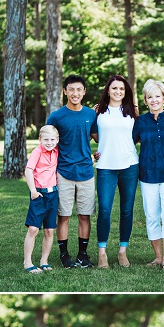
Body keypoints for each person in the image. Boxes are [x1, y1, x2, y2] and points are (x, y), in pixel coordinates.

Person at [46, 75, 98, 269]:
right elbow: (47, 142)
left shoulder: (90, 115)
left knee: (85, 215)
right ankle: (64, 255)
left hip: (86, 171)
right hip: (64, 172)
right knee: (64, 216)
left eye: (79, 90)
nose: (75, 93)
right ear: (65, 91)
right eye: (71, 89)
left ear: (84, 92)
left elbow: (98, 137)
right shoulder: (57, 116)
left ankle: (82, 255)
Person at [132, 79, 164, 270]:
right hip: (148, 173)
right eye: (150, 97)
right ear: (145, 100)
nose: (154, 100)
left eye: (157, 96)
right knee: (152, 215)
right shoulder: (140, 122)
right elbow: (128, 143)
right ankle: (158, 257)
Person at [91, 75, 140, 269]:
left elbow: (136, 135)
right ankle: (102, 252)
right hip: (105, 167)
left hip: (129, 165)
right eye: (114, 88)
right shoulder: (98, 111)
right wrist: (99, 148)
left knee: (127, 210)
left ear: (126, 91)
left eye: (122, 88)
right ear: (108, 90)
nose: (118, 91)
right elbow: (94, 134)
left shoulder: (132, 111)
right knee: (104, 209)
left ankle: (122, 251)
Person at [23, 125, 60, 274]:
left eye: (52, 139)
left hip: (53, 194)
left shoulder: (57, 151)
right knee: (33, 229)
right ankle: (27, 262)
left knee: (49, 230)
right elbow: (28, 170)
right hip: (39, 194)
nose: (49, 142)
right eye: (46, 139)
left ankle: (44, 261)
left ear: (57, 140)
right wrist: (33, 190)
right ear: (40, 140)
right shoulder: (37, 152)